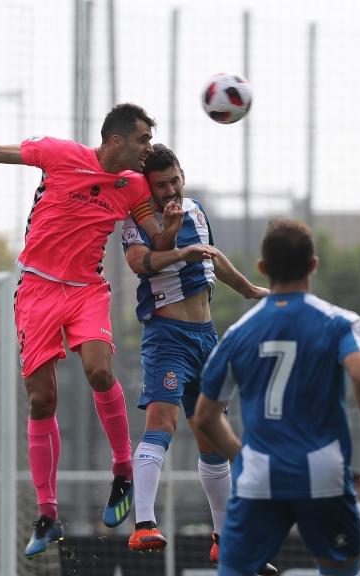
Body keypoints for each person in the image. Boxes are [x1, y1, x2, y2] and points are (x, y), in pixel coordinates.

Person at [0, 103, 181, 559]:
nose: (147, 148)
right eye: (143, 139)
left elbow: (155, 239)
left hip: (86, 289)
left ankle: (123, 468)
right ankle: (47, 514)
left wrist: (172, 229)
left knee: (101, 372)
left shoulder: (134, 185)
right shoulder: (59, 154)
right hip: (37, 291)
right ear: (116, 140)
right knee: (42, 398)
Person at [195, 218, 360, 576]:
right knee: (340, 567)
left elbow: (206, 416)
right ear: (313, 265)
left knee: (234, 570)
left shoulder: (239, 334)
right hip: (324, 472)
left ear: (263, 269)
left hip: (260, 476)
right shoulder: (340, 322)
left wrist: (244, 457)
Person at [119, 144, 275, 574]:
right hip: (167, 338)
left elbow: (212, 257)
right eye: (159, 186)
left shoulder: (197, 211)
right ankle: (144, 522)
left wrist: (248, 289)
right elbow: (139, 263)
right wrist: (178, 250)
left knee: (211, 436)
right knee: (163, 424)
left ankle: (228, 543)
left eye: (174, 181)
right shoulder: (137, 220)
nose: (169, 191)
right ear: (146, 187)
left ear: (182, 175)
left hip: (208, 340)